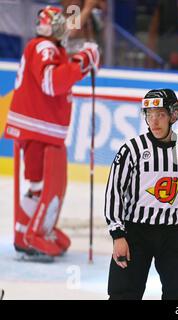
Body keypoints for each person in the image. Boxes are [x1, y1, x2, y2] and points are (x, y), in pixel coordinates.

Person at [3, 6, 99, 259]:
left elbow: (59, 78)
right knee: (46, 184)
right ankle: (30, 235)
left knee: (40, 184)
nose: (65, 27)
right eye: (61, 23)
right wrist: (82, 62)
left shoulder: (50, 47)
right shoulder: (44, 47)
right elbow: (51, 82)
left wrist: (82, 61)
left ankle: (26, 233)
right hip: (38, 127)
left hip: (40, 127)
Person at [105, 88, 178, 300]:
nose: (154, 122)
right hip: (136, 233)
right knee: (123, 295)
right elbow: (114, 191)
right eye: (149, 115)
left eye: (160, 115)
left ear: (173, 115)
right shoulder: (132, 149)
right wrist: (118, 235)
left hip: (175, 234)